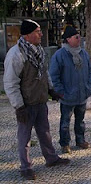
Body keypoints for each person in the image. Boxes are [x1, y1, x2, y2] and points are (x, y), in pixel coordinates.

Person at [3, 19, 70, 181]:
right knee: (24, 138)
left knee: (45, 132)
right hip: (26, 104)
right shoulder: (16, 54)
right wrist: (19, 107)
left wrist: (51, 89)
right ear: (27, 35)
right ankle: (25, 167)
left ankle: (51, 158)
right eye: (37, 31)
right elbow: (10, 83)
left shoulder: (38, 51)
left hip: (40, 101)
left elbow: (44, 73)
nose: (41, 34)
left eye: (40, 31)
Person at [49, 25, 91, 154]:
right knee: (65, 122)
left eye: (79, 36)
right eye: (76, 37)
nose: (79, 39)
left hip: (82, 94)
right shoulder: (60, 55)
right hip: (67, 96)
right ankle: (64, 143)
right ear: (68, 39)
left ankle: (80, 140)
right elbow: (54, 76)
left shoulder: (83, 53)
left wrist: (88, 87)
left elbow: (90, 71)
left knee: (80, 121)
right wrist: (61, 92)